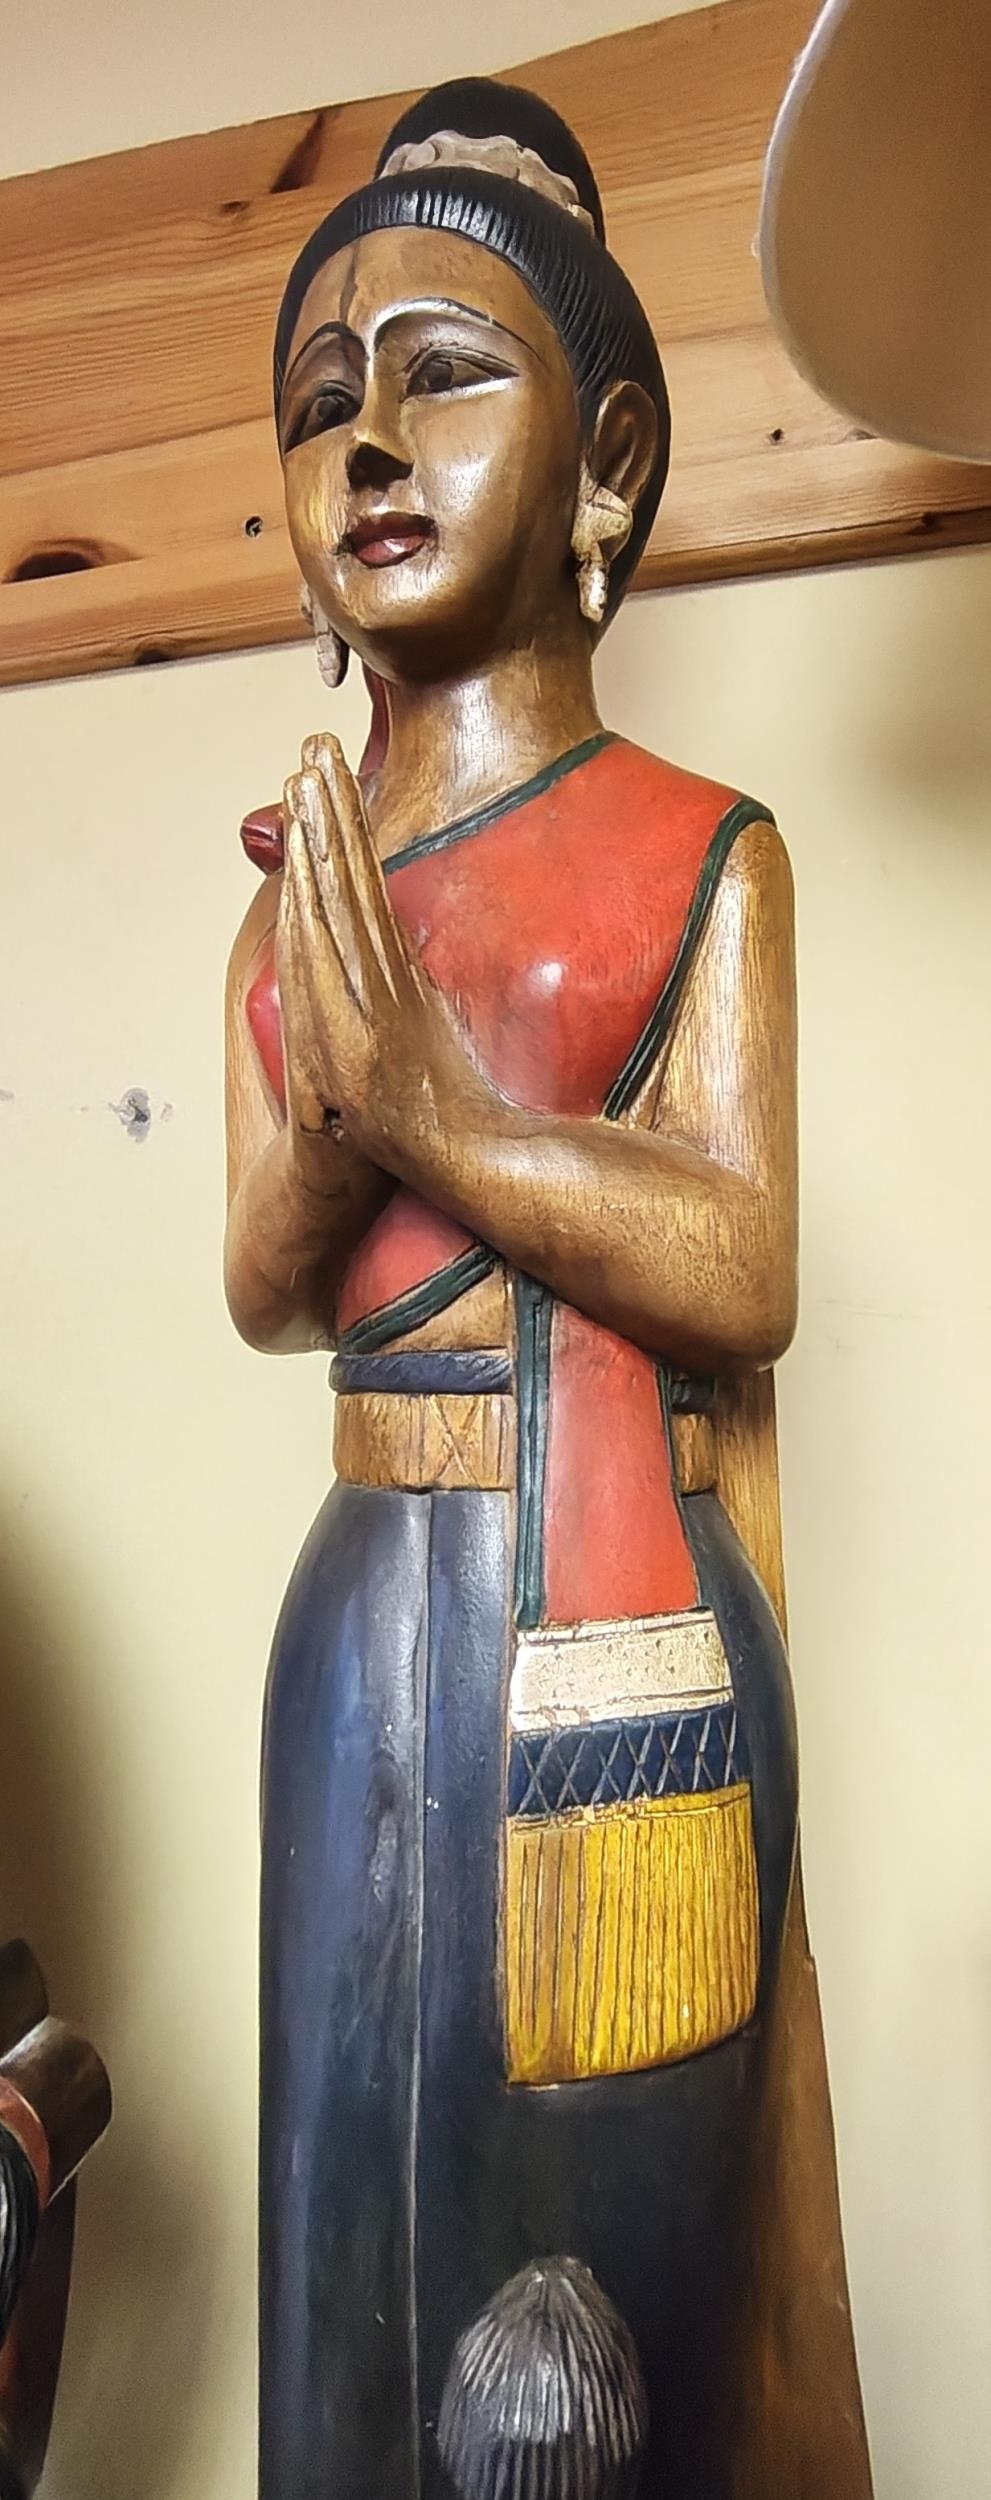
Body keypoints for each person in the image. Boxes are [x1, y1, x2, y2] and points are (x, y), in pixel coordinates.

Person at [224, 76, 867, 2500]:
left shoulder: (707, 855)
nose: (369, 440)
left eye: (442, 371)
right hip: (358, 1625)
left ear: (604, 457)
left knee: (576, 2341)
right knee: (349, 2260)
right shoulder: (300, 895)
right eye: (321, 400)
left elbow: (741, 1259)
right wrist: (334, 1081)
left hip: (610, 1648)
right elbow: (266, 1289)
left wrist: (444, 1114)